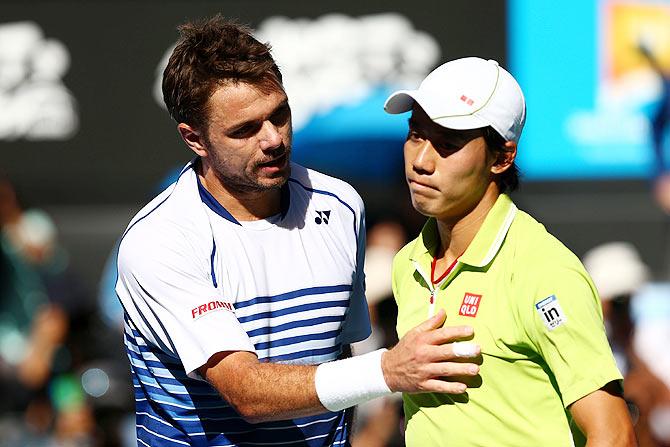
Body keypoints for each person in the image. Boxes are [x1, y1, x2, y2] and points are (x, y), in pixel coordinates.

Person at [115, 16, 480, 447]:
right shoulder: (160, 239)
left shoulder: (341, 206)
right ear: (195, 139)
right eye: (245, 130)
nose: (273, 139)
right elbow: (246, 393)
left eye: (279, 115)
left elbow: (339, 357)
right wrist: (388, 370)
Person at [384, 57, 637, 446]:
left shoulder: (545, 270)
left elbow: (614, 434)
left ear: (502, 157)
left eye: (447, 144)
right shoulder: (408, 263)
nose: (421, 161)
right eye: (415, 134)